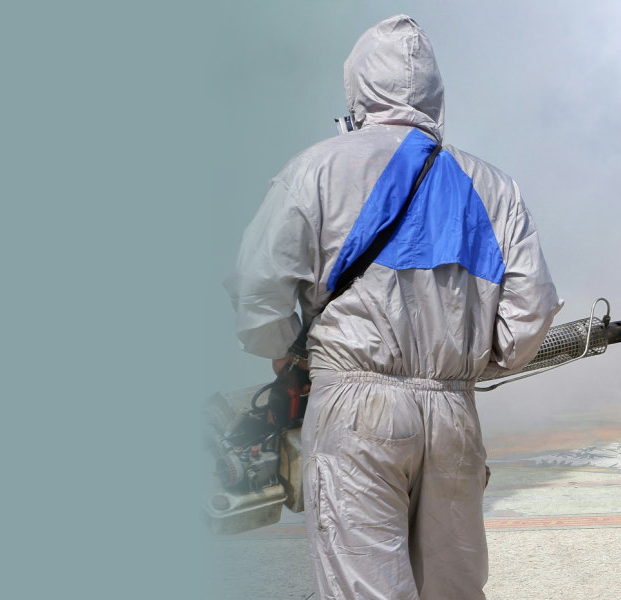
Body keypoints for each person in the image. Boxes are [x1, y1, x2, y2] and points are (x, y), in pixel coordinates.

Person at [226, 14, 563, 600]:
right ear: (435, 94)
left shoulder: (317, 170)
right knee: (453, 590)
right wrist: (461, 365)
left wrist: (286, 356)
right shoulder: (492, 186)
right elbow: (528, 318)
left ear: (357, 88)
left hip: (356, 411)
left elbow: (258, 291)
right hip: (453, 414)